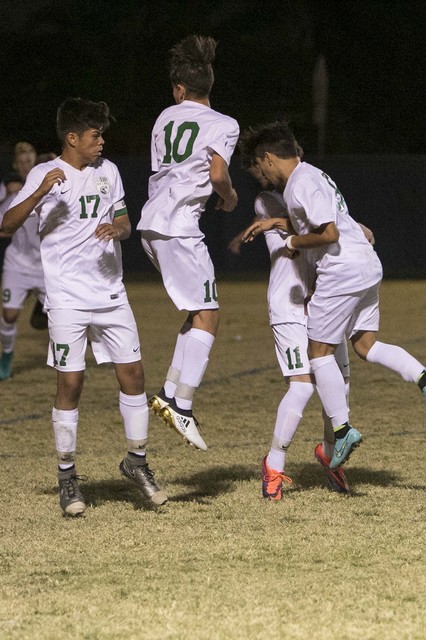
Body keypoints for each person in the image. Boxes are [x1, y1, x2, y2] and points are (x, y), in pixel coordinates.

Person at [2, 97, 167, 516]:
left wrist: (120, 228)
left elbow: (126, 219)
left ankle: (137, 462)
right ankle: (67, 477)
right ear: (72, 138)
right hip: (67, 298)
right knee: (70, 384)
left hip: (110, 292)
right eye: (95, 135)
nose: (102, 142)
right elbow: (6, 225)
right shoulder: (43, 174)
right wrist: (38, 192)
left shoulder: (108, 171)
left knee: (133, 376)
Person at [240, 121, 426, 471]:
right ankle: (423, 377)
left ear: (267, 158)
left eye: (259, 164)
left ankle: (341, 431)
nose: (260, 172)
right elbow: (333, 224)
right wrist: (279, 225)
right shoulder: (316, 175)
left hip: (341, 272)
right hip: (367, 266)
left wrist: (292, 242)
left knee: (318, 353)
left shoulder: (299, 184)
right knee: (365, 344)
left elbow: (327, 233)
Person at [137, 35, 239, 451]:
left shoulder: (164, 116)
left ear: (179, 90)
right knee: (209, 315)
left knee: (196, 313)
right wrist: (229, 197)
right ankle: (183, 404)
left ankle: (170, 394)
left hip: (151, 224)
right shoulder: (224, 124)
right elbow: (217, 174)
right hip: (180, 227)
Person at [230, 163, 351, 498]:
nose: (259, 174)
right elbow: (310, 224)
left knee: (338, 391)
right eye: (253, 168)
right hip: (289, 304)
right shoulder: (267, 201)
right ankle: (274, 464)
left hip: (324, 301)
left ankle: (330, 455)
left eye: (259, 166)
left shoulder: (311, 190)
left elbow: (329, 226)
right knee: (301, 388)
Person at [0, 171, 47, 379]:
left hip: (46, 268)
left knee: (62, 318)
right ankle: (7, 355)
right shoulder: (16, 197)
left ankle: (70, 360)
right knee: (9, 315)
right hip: (17, 264)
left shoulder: (57, 196)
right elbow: (4, 226)